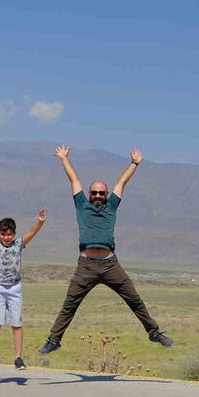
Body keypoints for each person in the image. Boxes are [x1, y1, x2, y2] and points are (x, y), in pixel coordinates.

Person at [38, 145, 173, 355]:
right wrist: (63, 158)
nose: (98, 195)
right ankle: (54, 340)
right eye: (94, 192)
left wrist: (134, 163)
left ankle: (154, 332)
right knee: (69, 305)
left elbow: (121, 182)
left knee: (134, 299)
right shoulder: (81, 205)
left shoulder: (111, 206)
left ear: (107, 194)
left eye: (102, 192)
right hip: (86, 265)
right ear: (89, 194)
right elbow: (74, 180)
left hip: (111, 264)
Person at [0, 195, 46, 375]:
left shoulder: (18, 245)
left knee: (16, 324)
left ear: (14, 233)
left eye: (9, 234)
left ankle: (18, 357)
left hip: (15, 288)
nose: (6, 237)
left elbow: (32, 233)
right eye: (3, 234)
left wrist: (39, 223)